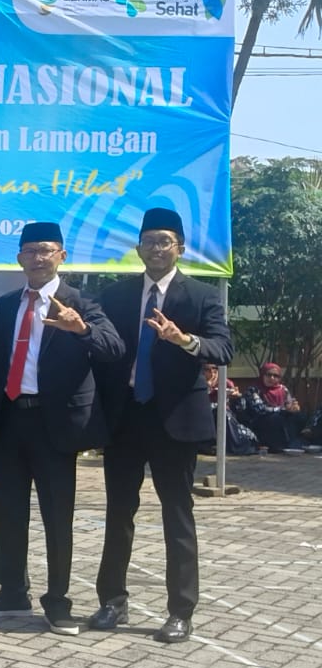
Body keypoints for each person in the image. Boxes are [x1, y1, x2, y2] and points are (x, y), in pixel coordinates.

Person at [0, 222, 123, 635]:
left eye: (45, 250)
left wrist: (81, 328)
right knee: (8, 512)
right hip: (10, 419)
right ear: (19, 258)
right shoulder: (5, 305)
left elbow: (114, 348)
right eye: (29, 251)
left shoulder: (82, 303)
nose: (37, 258)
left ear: (61, 256)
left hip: (56, 425)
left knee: (57, 516)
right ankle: (11, 592)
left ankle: (58, 602)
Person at [94, 207, 233, 643]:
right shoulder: (114, 295)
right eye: (150, 241)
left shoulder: (202, 296)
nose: (157, 248)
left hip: (174, 420)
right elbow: (101, 349)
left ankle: (180, 611)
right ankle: (111, 600)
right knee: (119, 513)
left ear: (181, 248)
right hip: (125, 418)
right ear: (138, 248)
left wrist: (184, 340)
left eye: (165, 241)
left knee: (177, 514)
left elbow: (223, 347)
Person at [241, 362, 306, 453]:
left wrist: (293, 408)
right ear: (263, 375)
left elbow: (289, 404)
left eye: (276, 376)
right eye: (268, 375)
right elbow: (260, 409)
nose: (272, 378)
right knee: (276, 418)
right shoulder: (254, 389)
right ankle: (277, 446)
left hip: (280, 417)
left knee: (299, 417)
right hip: (259, 422)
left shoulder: (283, 389)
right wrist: (283, 410)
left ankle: (293, 444)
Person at [205, 364, 259, 456]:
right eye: (207, 369)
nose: (212, 372)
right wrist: (207, 388)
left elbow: (240, 408)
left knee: (225, 415)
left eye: (215, 368)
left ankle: (232, 446)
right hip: (206, 417)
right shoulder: (199, 383)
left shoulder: (226, 383)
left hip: (227, 416)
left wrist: (237, 397)